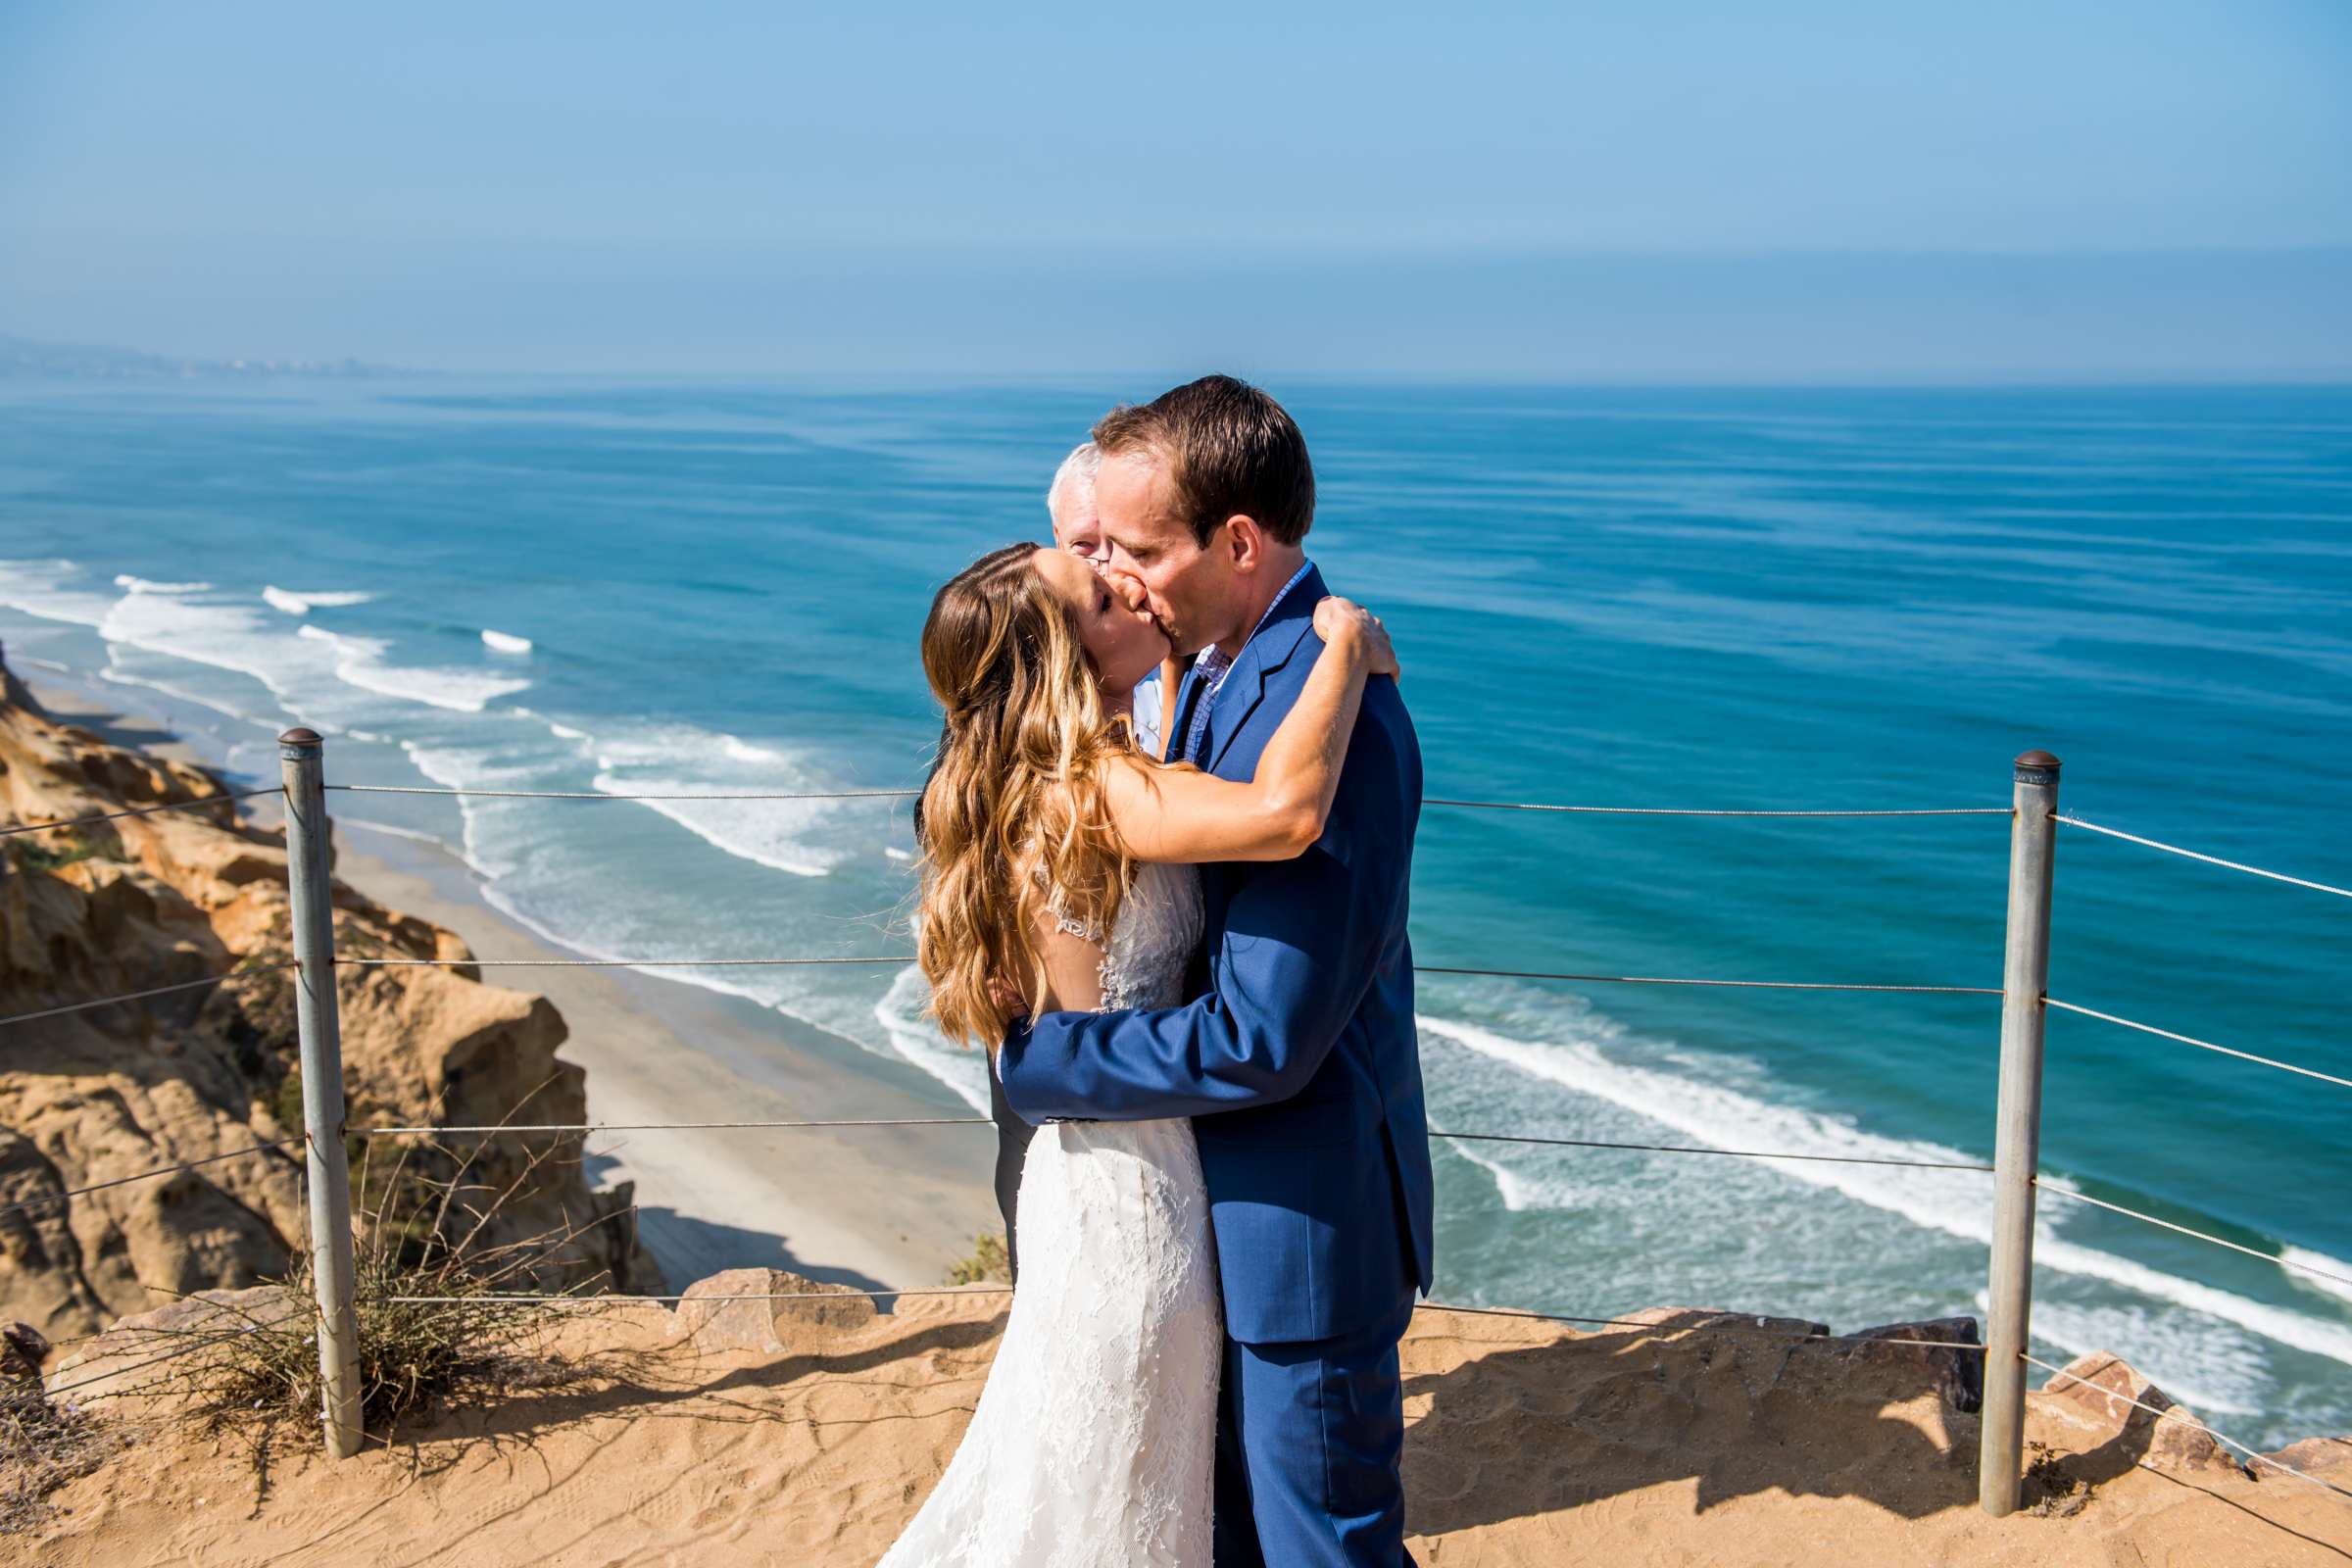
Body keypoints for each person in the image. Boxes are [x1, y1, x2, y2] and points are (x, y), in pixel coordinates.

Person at [876, 534, 1398, 1567]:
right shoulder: (1093, 793)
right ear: (1068, 666)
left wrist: (1164, 656)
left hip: (1085, 1176)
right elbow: (1285, 815)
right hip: (1137, 1202)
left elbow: (1160, 735)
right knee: (1125, 1498)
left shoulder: (1035, 783)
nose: (1123, 584)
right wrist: (1344, 650)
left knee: (1098, 1480)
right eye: (1098, 598)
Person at [999, 375, 1432, 1567]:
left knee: (1317, 1551)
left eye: (1137, 548)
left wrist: (1044, 1064)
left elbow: (1265, 1035)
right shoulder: (1213, 676)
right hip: (1198, 1219)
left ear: (1237, 542)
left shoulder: (1333, 709)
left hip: (1295, 1235)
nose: (1123, 577)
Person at [978, 438, 1191, 1285]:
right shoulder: (1035, 672)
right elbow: (953, 799)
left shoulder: (1156, 660)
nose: (1120, 572)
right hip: (1079, 1082)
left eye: (1129, 546)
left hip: (1160, 1112)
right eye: (1087, 550)